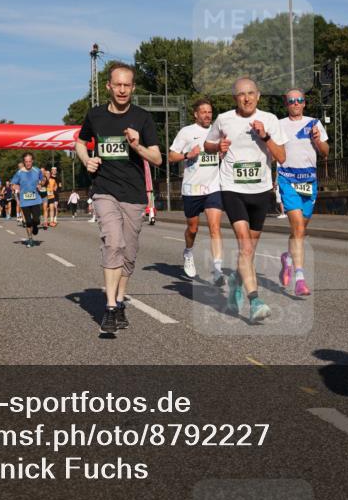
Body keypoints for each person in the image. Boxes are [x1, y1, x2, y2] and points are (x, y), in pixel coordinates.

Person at [75, 62, 162, 334]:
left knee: (129, 254)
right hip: (104, 190)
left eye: (127, 85)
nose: (122, 90)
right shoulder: (95, 115)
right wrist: (87, 159)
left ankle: (120, 301)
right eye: (118, 85)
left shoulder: (143, 117)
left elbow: (157, 159)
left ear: (132, 87)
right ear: (108, 87)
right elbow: (80, 142)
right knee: (113, 242)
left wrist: (137, 146)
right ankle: (110, 307)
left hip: (134, 195)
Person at [204, 77, 287, 323]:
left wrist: (266, 137)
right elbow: (208, 145)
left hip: (260, 191)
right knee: (245, 246)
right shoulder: (224, 119)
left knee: (249, 251)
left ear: (258, 96)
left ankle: (236, 282)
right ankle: (255, 301)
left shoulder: (270, 120)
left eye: (251, 93)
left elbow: (281, 157)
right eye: (241, 94)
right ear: (235, 98)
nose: (247, 98)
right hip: (232, 188)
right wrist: (217, 146)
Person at [277, 89, 330, 296]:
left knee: (300, 229)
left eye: (299, 100)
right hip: (287, 179)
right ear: (287, 104)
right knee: (298, 226)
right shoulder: (280, 125)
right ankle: (300, 278)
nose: (296, 103)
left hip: (309, 181)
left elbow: (325, 152)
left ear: (304, 103)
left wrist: (317, 140)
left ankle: (288, 258)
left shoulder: (314, 123)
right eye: (292, 101)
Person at [168, 97, 225, 285]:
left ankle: (217, 270)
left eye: (210, 112)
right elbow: (171, 156)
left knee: (215, 228)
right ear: (196, 114)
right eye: (204, 112)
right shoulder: (187, 132)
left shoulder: (218, 131)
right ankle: (188, 252)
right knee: (193, 229)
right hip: (192, 189)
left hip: (213, 187)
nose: (208, 115)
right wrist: (187, 155)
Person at [9, 153, 44, 247]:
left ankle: (35, 225)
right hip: (24, 201)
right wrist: (14, 186)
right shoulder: (19, 172)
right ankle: (30, 239)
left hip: (36, 199)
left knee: (36, 220)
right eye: (26, 161)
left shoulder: (37, 170)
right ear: (24, 162)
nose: (28, 163)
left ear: (32, 161)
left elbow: (43, 180)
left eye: (30, 161)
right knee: (28, 222)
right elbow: (12, 184)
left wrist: (41, 184)